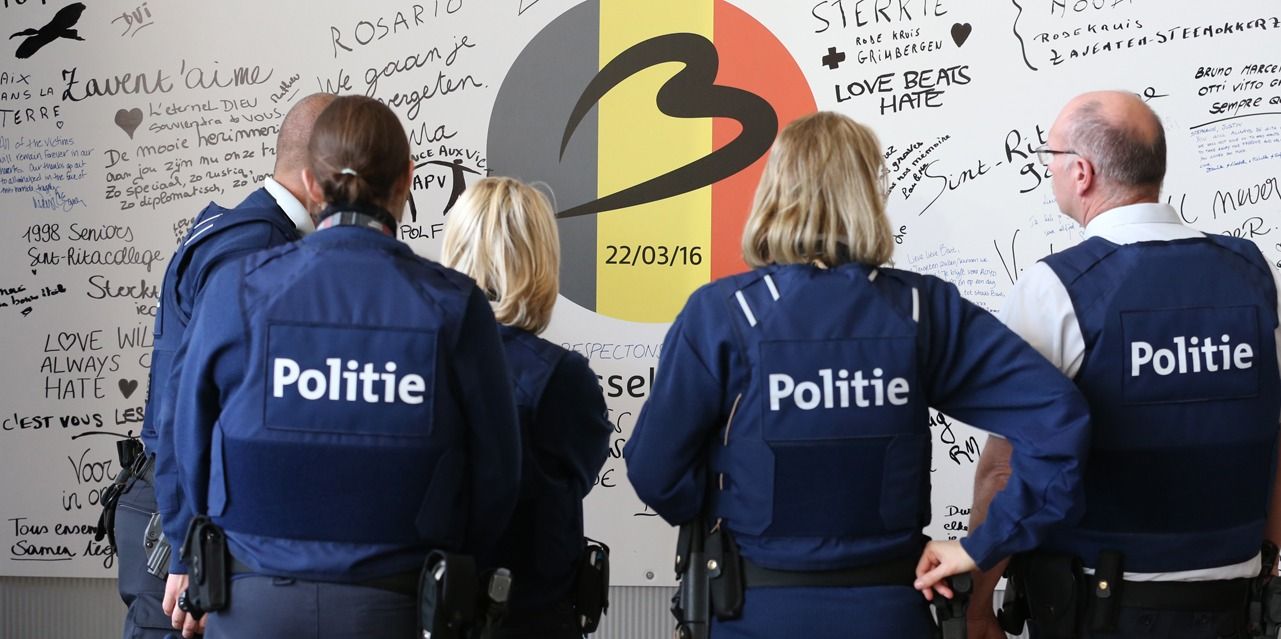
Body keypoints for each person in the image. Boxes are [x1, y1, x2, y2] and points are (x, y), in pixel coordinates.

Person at [621, 111, 1092, 639]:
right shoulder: (921, 311)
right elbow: (1057, 417)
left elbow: (656, 470)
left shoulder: (723, 314)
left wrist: (724, 511)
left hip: (751, 609)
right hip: (889, 610)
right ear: (869, 195)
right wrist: (982, 545)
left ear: (773, 193)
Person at [169, 95, 521, 639]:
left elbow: (189, 443)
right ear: (407, 180)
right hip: (398, 606)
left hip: (253, 605)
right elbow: (498, 475)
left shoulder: (236, 291)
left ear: (312, 184)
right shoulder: (455, 307)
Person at [968, 91, 1281, 639]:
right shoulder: (1254, 274)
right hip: (1235, 607)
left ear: (1081, 172)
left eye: (1050, 156)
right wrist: (1265, 563)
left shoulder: (1056, 288)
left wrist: (975, 608)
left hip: (1101, 608)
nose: (1048, 170)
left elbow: (1005, 469)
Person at [104, 92, 333, 639]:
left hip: (181, 513)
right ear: (321, 175)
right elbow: (192, 405)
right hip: (183, 525)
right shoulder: (255, 249)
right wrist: (189, 547)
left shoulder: (242, 231)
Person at [442, 176, 612, 638]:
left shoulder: (420, 360)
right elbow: (581, 471)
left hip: (432, 610)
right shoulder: (560, 377)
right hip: (527, 616)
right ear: (540, 262)